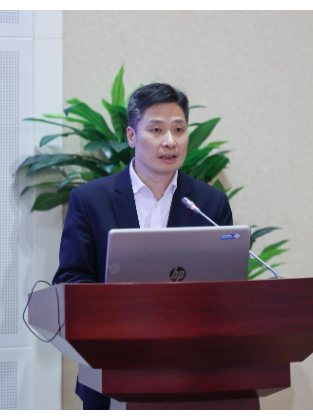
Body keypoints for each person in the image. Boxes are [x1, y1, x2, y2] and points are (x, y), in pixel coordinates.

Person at [52, 83, 234, 409]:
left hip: (191, 372)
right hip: (112, 367)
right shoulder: (91, 200)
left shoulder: (210, 203)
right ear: (132, 136)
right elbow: (70, 279)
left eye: (179, 129)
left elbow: (227, 287)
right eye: (156, 129)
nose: (170, 141)